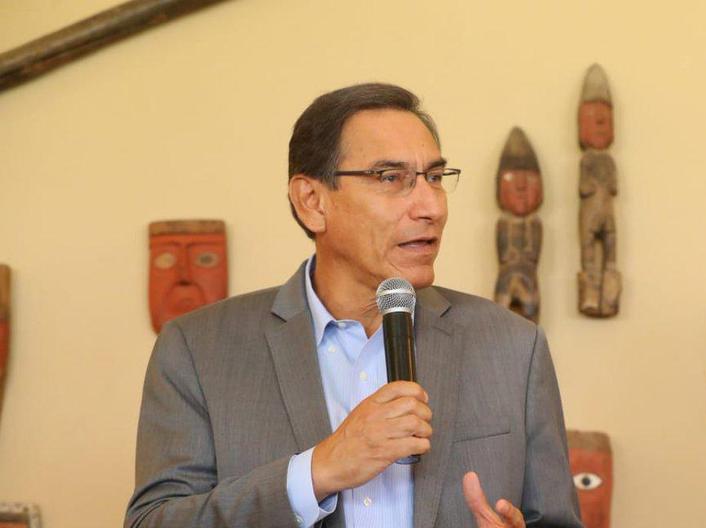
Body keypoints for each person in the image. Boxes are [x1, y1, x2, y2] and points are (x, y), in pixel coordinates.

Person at [125, 83, 582, 528]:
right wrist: (319, 470)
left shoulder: (513, 347)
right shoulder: (198, 350)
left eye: (436, 178)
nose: (431, 207)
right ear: (311, 202)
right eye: (391, 178)